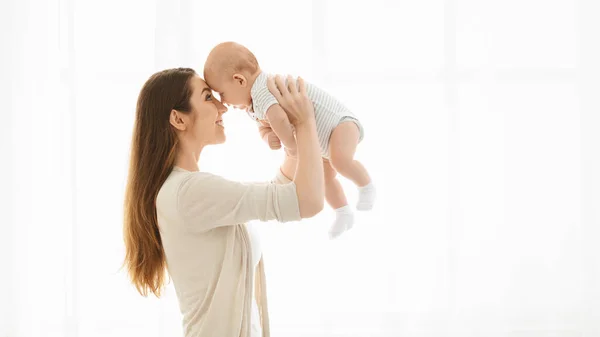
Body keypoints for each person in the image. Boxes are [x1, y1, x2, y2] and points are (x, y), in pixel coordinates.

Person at [122, 68, 324, 337]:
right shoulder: (188, 192)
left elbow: (279, 192)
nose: (222, 107)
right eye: (208, 97)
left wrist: (293, 147)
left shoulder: (186, 188)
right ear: (178, 119)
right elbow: (307, 202)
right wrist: (305, 121)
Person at [204, 41, 376, 239]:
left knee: (340, 161)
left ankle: (366, 186)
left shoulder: (263, 89)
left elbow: (278, 118)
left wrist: (291, 146)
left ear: (240, 80)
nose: (223, 101)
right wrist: (269, 137)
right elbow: (266, 125)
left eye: (222, 93)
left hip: (340, 124)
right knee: (323, 179)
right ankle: (343, 212)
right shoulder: (252, 106)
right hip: (324, 143)